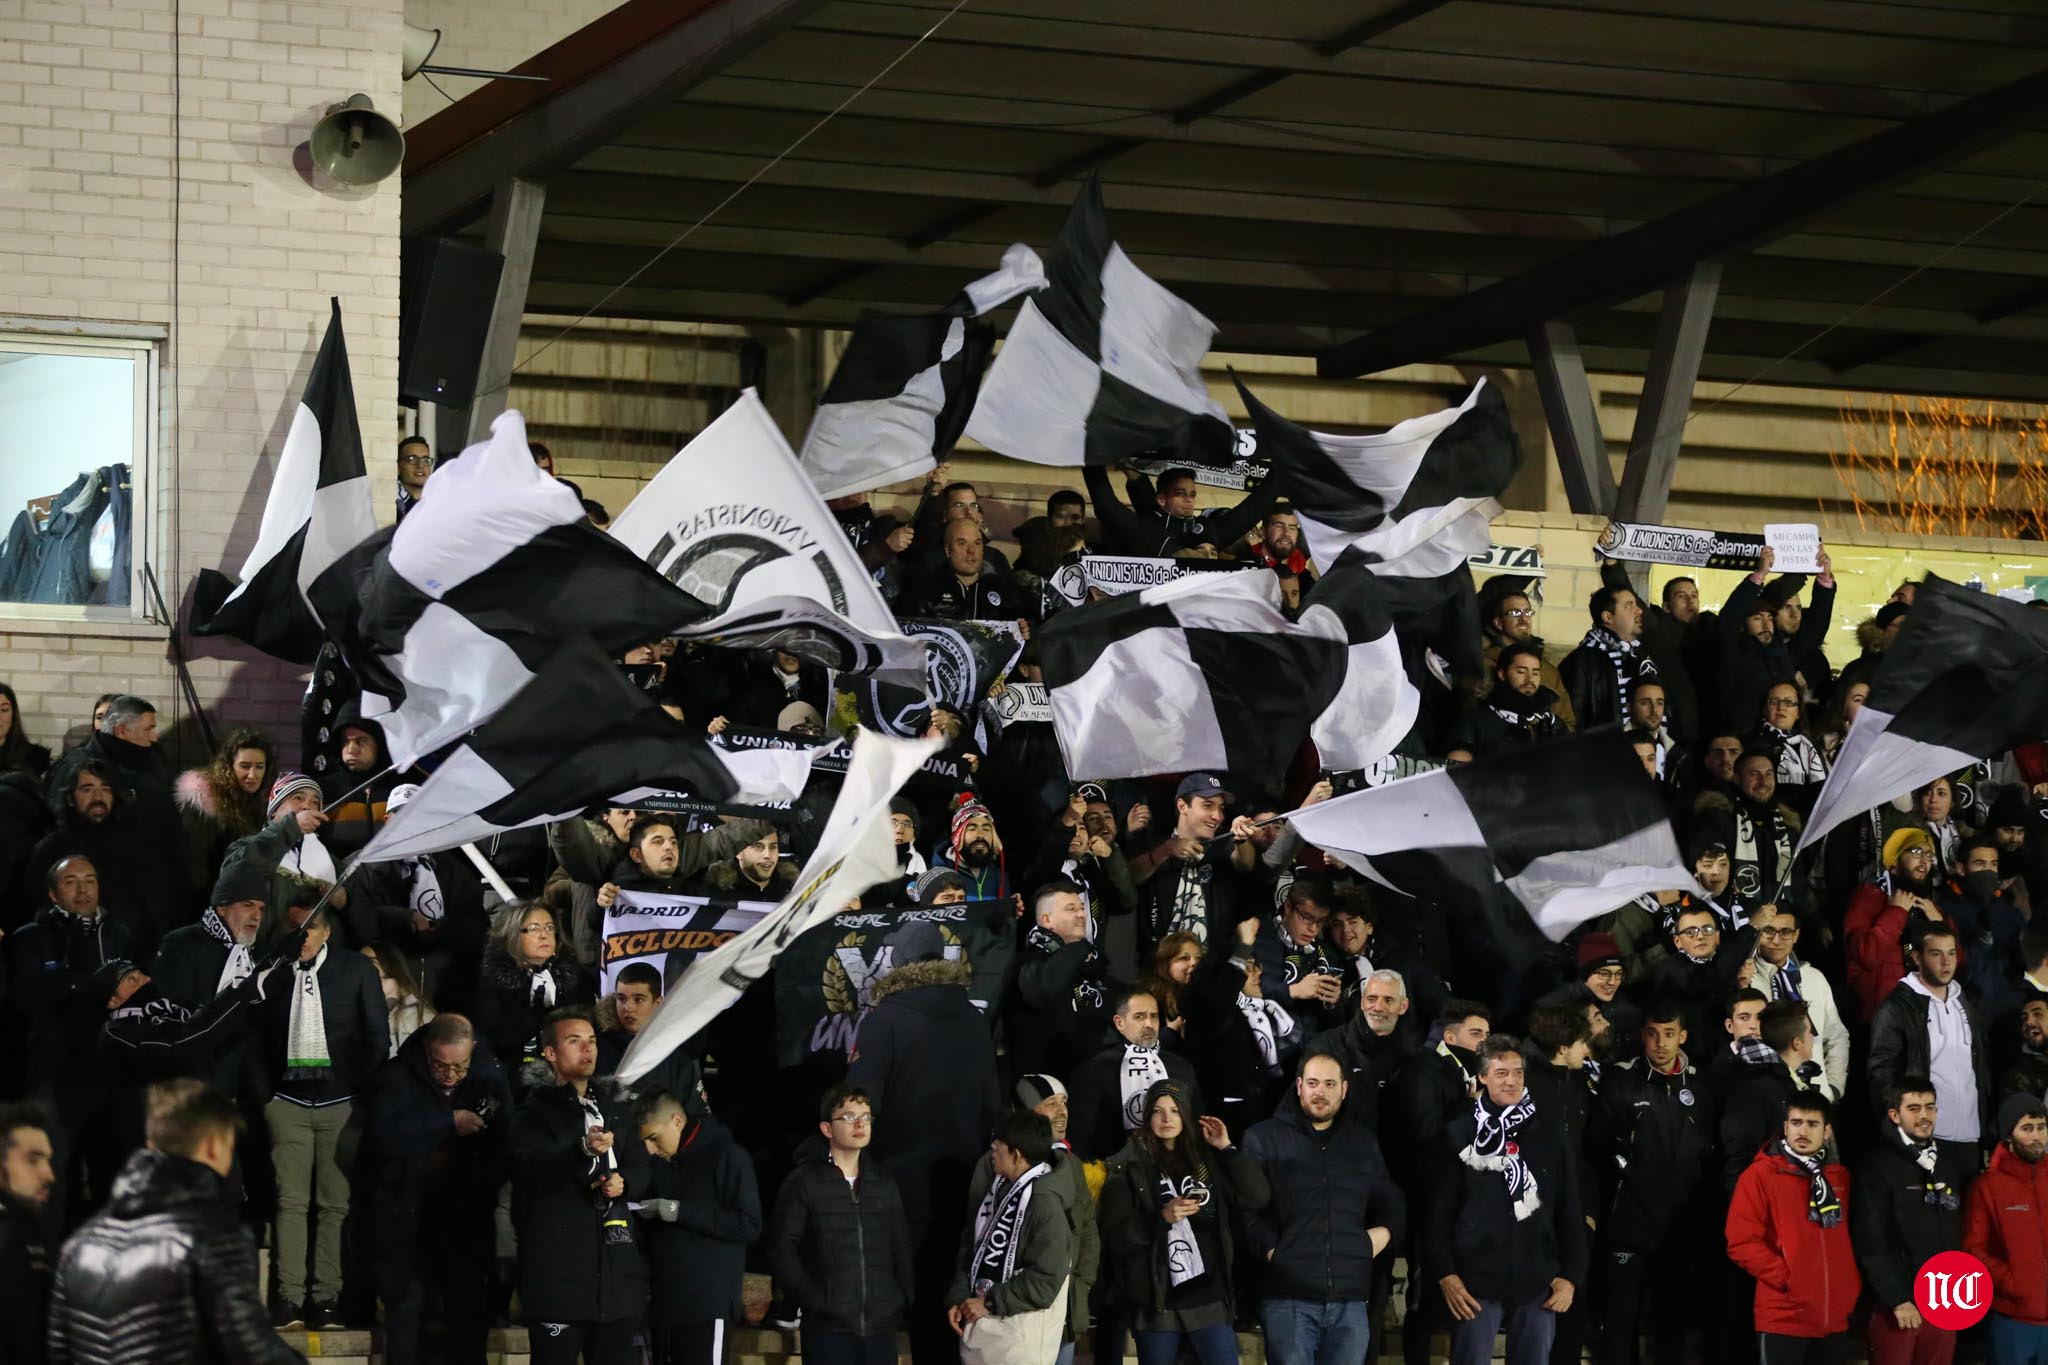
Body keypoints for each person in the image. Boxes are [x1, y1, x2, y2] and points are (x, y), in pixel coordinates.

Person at [45, 1079, 301, 1365]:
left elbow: (58, 1351)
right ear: (213, 1146)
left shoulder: (81, 1244)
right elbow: (253, 1350)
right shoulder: (212, 1237)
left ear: (153, 1142)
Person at [846, 920, 1002, 1365]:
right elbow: (992, 1103)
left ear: (898, 961)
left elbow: (861, 1103)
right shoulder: (974, 1018)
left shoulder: (885, 1019)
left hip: (901, 1181)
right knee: (952, 1290)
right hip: (966, 1180)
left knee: (911, 1295)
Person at [1424, 1035, 1585, 1365]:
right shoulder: (1458, 1134)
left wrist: (1571, 1277)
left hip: (1537, 1281)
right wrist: (1446, 1274)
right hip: (1475, 1283)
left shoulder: (1550, 1136)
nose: (1511, 1080)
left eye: (1517, 1072)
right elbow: (1437, 1214)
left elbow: (1569, 1211)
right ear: (1482, 1076)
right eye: (1501, 1073)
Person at [263, 909, 388, 1329]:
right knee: (290, 1202)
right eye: (293, 928)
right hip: (287, 1102)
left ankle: (327, 1299)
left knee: (335, 1205)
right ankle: (289, 1299)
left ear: (328, 930)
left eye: (310, 928)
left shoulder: (355, 970)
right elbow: (252, 1034)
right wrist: (265, 1097)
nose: (302, 936)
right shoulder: (272, 968)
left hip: (341, 1102)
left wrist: (361, 1096)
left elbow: (376, 1036)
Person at [363, 1013, 511, 1365]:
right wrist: (449, 1122)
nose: (449, 1075)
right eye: (440, 1065)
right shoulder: (397, 1074)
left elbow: (504, 1143)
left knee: (467, 1314)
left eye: (459, 1067)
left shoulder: (489, 1076)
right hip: (407, 1216)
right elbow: (385, 1134)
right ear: (427, 1048)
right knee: (407, 1314)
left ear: (472, 1050)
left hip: (464, 1219)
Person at [1243, 1049, 1404, 1365]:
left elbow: (1392, 1201)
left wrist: (1381, 1237)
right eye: (1313, 1083)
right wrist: (1274, 1251)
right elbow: (1246, 1211)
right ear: (1299, 1085)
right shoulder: (1263, 1138)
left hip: (1350, 1300)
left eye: (1330, 1084)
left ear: (1344, 1090)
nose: (1320, 1092)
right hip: (1288, 1298)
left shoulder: (1362, 1142)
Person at [508, 1007, 649, 1365]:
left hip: (617, 1288)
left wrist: (624, 1182)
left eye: (591, 1041)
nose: (587, 1049)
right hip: (559, 1285)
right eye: (574, 1041)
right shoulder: (532, 1114)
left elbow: (642, 1166)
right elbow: (533, 1166)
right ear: (550, 1053)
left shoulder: (616, 1107)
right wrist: (582, 1150)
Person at [1098, 1078, 1270, 1365]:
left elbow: (1257, 1197)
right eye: (1158, 1111)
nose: (1167, 1118)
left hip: (1209, 1298)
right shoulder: (1127, 1166)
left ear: (1186, 1115)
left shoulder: (1207, 1158)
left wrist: (1226, 1148)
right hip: (1157, 1303)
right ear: (1146, 1116)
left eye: (1175, 1110)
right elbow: (1117, 1239)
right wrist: (1161, 1218)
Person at [1595, 1002, 1718, 1365]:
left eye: (1668, 1034)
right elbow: (1598, 1145)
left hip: (1680, 1231)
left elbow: (1710, 1157)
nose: (1660, 1043)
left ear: (1683, 1036)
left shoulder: (1702, 1089)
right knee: (1621, 1325)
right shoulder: (1621, 1083)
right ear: (1642, 1036)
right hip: (1629, 1227)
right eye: (1652, 1033)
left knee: (1672, 1326)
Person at [765, 1083, 916, 1365]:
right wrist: (814, 1298)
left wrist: (902, 1296)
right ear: (826, 1128)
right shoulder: (804, 1181)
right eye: (848, 1116)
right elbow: (781, 1248)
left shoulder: (883, 1182)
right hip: (828, 1329)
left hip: (880, 1327)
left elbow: (901, 1244)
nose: (860, 1123)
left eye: (866, 1116)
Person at [1724, 1094, 1860, 1364]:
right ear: (1785, 1127)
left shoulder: (1838, 1177)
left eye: (1812, 1124)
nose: (1803, 1131)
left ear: (1827, 1130)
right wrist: (1788, 1278)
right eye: (1796, 1122)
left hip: (1834, 1319)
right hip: (1783, 1318)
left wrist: (1849, 1288)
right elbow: (1740, 1241)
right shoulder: (1760, 1175)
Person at [635, 1088, 763, 1365]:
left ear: (677, 1121)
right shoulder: (663, 1164)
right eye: (644, 1141)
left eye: (654, 1138)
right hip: (665, 1305)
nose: (650, 1149)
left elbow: (748, 1224)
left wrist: (679, 1211)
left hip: (706, 1306)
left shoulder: (728, 1156)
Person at [1851, 1077, 1970, 1365]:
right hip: (1899, 1308)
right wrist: (1897, 1298)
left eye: (1930, 1107)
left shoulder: (1947, 1163)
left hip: (1943, 1302)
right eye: (1914, 1108)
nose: (1924, 1116)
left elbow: (1955, 1233)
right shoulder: (1877, 1165)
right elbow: (1870, 1239)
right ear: (1895, 1115)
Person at [946, 1109, 1074, 1365]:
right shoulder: (995, 1191)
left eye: (999, 1144)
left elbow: (1046, 1278)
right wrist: (959, 1298)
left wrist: (990, 1302)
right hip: (984, 1335)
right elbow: (971, 1249)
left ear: (1016, 1155)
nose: (992, 1147)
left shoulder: (1045, 1204)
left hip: (1018, 1340)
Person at [1869, 923, 1992, 1168]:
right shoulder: (1897, 1007)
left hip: (1970, 1138)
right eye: (1936, 954)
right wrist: (1899, 1134)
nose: (1946, 962)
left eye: (1951, 953)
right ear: (1917, 957)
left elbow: (1982, 1072)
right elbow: (1881, 1073)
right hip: (1923, 1139)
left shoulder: (1966, 1005)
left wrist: (1987, 1134)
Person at [1126, 774, 1259, 954]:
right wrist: (1166, 851)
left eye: (1221, 808)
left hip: (1209, 969)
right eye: (1207, 806)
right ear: (1182, 806)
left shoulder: (1224, 844)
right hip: (1156, 967)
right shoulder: (1157, 845)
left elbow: (1245, 864)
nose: (1217, 816)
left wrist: (1241, 840)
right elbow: (1130, 878)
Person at [1962, 1093, 2048, 1364]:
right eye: (2027, 1129)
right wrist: (2013, 1281)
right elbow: (1973, 1249)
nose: (2037, 1137)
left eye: (2042, 1128)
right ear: (2008, 1136)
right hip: (2012, 1320)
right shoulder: (1987, 1186)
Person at [1712, 548, 1836, 734]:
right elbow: (1729, 618)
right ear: (1743, 625)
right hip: (1745, 740)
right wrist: (1758, 577)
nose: (1765, 624)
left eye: (1770, 618)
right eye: (1757, 618)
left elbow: (1814, 630)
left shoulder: (1782, 652)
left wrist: (1824, 581)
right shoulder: (1731, 651)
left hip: (1783, 740)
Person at [1071, 986, 1199, 1161]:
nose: (1149, 1024)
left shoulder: (1180, 1067)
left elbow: (1194, 1125)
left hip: (1177, 1168)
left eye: (1154, 1016)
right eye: (1139, 1017)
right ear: (1119, 1023)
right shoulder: (1096, 1070)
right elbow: (1079, 1137)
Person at [474, 903, 596, 1084]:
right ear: (514, 935)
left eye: (549, 927)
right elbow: (494, 1040)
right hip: (510, 1077)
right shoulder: (492, 982)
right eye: (533, 928)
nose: (543, 934)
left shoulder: (575, 977)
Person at [1747, 902, 1851, 1099]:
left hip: (1817, 1096)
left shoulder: (1814, 977)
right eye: (1768, 931)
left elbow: (1836, 1036)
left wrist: (1834, 1088)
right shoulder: (1746, 979)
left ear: (1796, 935)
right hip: (1769, 1096)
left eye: (1785, 931)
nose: (1776, 939)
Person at [1011, 879, 1112, 1082]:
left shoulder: (1091, 964)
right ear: (1046, 919)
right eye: (1071, 909)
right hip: (1042, 1080)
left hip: (1086, 1075)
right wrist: (1077, 947)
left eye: (1082, 908)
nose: (1081, 914)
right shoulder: (1027, 960)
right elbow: (1040, 991)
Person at [1084, 463, 1278, 558]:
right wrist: (1092, 455)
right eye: (1180, 494)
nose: (1188, 499)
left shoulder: (1207, 528)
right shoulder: (1144, 531)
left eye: (1192, 494)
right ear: (1161, 499)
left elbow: (1251, 511)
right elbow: (1106, 506)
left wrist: (1282, 469)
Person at [173, 727, 275, 910]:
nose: (253, 775)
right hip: (208, 905)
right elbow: (195, 868)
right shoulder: (206, 802)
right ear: (229, 766)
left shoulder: (259, 803)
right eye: (245, 766)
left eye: (259, 766)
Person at [1309, 967, 1420, 1131]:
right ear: (1362, 1003)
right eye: (1372, 999)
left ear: (1403, 1006)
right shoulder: (1326, 1047)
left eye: (1388, 1000)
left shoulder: (1414, 1055)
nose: (1378, 1007)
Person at [0, 1104, 55, 1365]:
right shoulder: (10, 1236)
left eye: (48, 1160)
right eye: (33, 1160)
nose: (49, 1175)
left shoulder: (25, 1229)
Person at [1557, 583, 1654, 728]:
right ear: (1608, 617)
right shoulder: (1581, 662)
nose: (1639, 611)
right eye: (1629, 606)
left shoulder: (1641, 655)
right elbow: (1572, 720)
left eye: (1636, 605)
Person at [1460, 643, 1569, 756]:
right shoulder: (1476, 721)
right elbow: (1453, 767)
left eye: (1535, 673)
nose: (1530, 679)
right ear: (1502, 674)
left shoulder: (1552, 723)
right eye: (1521, 672)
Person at [396, 434, 431, 519]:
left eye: (425, 460)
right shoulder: (390, 499)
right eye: (412, 459)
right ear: (399, 466)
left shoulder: (438, 497)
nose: (420, 465)